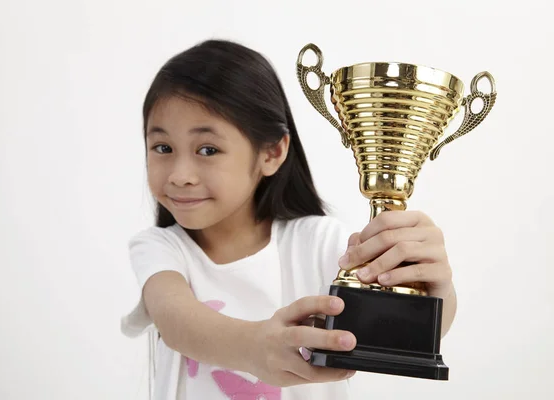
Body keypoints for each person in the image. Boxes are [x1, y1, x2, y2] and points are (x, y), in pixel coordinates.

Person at [120, 39, 457, 400]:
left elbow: (397, 329)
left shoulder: (319, 242)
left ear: (272, 152)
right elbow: (177, 322)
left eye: (207, 149)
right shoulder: (160, 248)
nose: (180, 174)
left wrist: (433, 289)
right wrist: (255, 348)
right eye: (162, 148)